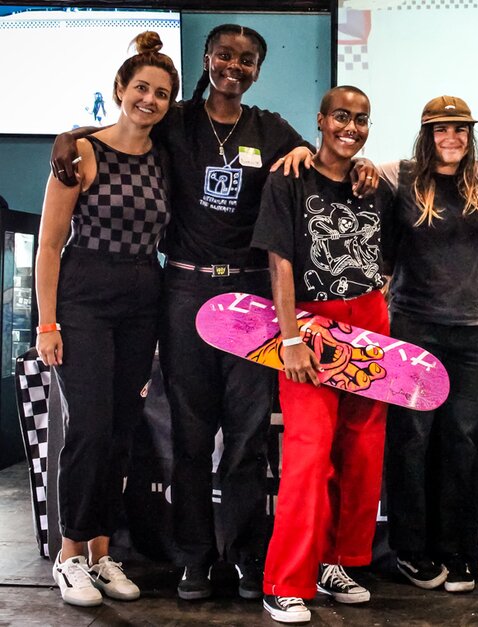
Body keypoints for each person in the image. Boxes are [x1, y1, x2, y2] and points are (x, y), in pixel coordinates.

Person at [51, 24, 323, 601]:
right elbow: (122, 128)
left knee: (247, 438)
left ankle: (247, 557)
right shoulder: (176, 120)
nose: (234, 66)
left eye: (246, 60)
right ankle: (194, 559)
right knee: (191, 438)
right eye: (224, 55)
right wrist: (68, 136)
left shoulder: (272, 129)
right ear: (207, 59)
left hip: (250, 297)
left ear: (257, 70)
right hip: (183, 292)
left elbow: (319, 158)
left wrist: (310, 151)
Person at [36, 32, 179, 607]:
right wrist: (47, 324)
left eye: (161, 93)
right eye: (141, 88)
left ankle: (100, 552)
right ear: (120, 89)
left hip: (143, 297)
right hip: (84, 299)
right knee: (90, 429)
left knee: (121, 431)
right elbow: (49, 245)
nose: (149, 100)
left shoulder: (164, 156)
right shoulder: (80, 153)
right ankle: (69, 554)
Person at [252, 85, 390, 624]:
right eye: (341, 117)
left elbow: (386, 257)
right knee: (309, 452)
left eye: (361, 119)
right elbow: (279, 262)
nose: (351, 128)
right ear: (321, 119)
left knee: (362, 453)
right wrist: (289, 337)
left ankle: (339, 562)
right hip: (310, 325)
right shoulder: (289, 178)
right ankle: (285, 581)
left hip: (369, 322)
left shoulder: (371, 184)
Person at [378, 96, 478, 594]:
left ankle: (457, 551)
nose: (451, 137)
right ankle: (412, 550)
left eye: (460, 129)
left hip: (473, 332)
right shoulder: (401, 177)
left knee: (461, 439)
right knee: (411, 439)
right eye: (441, 129)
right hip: (414, 328)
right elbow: (350, 169)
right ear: (426, 134)